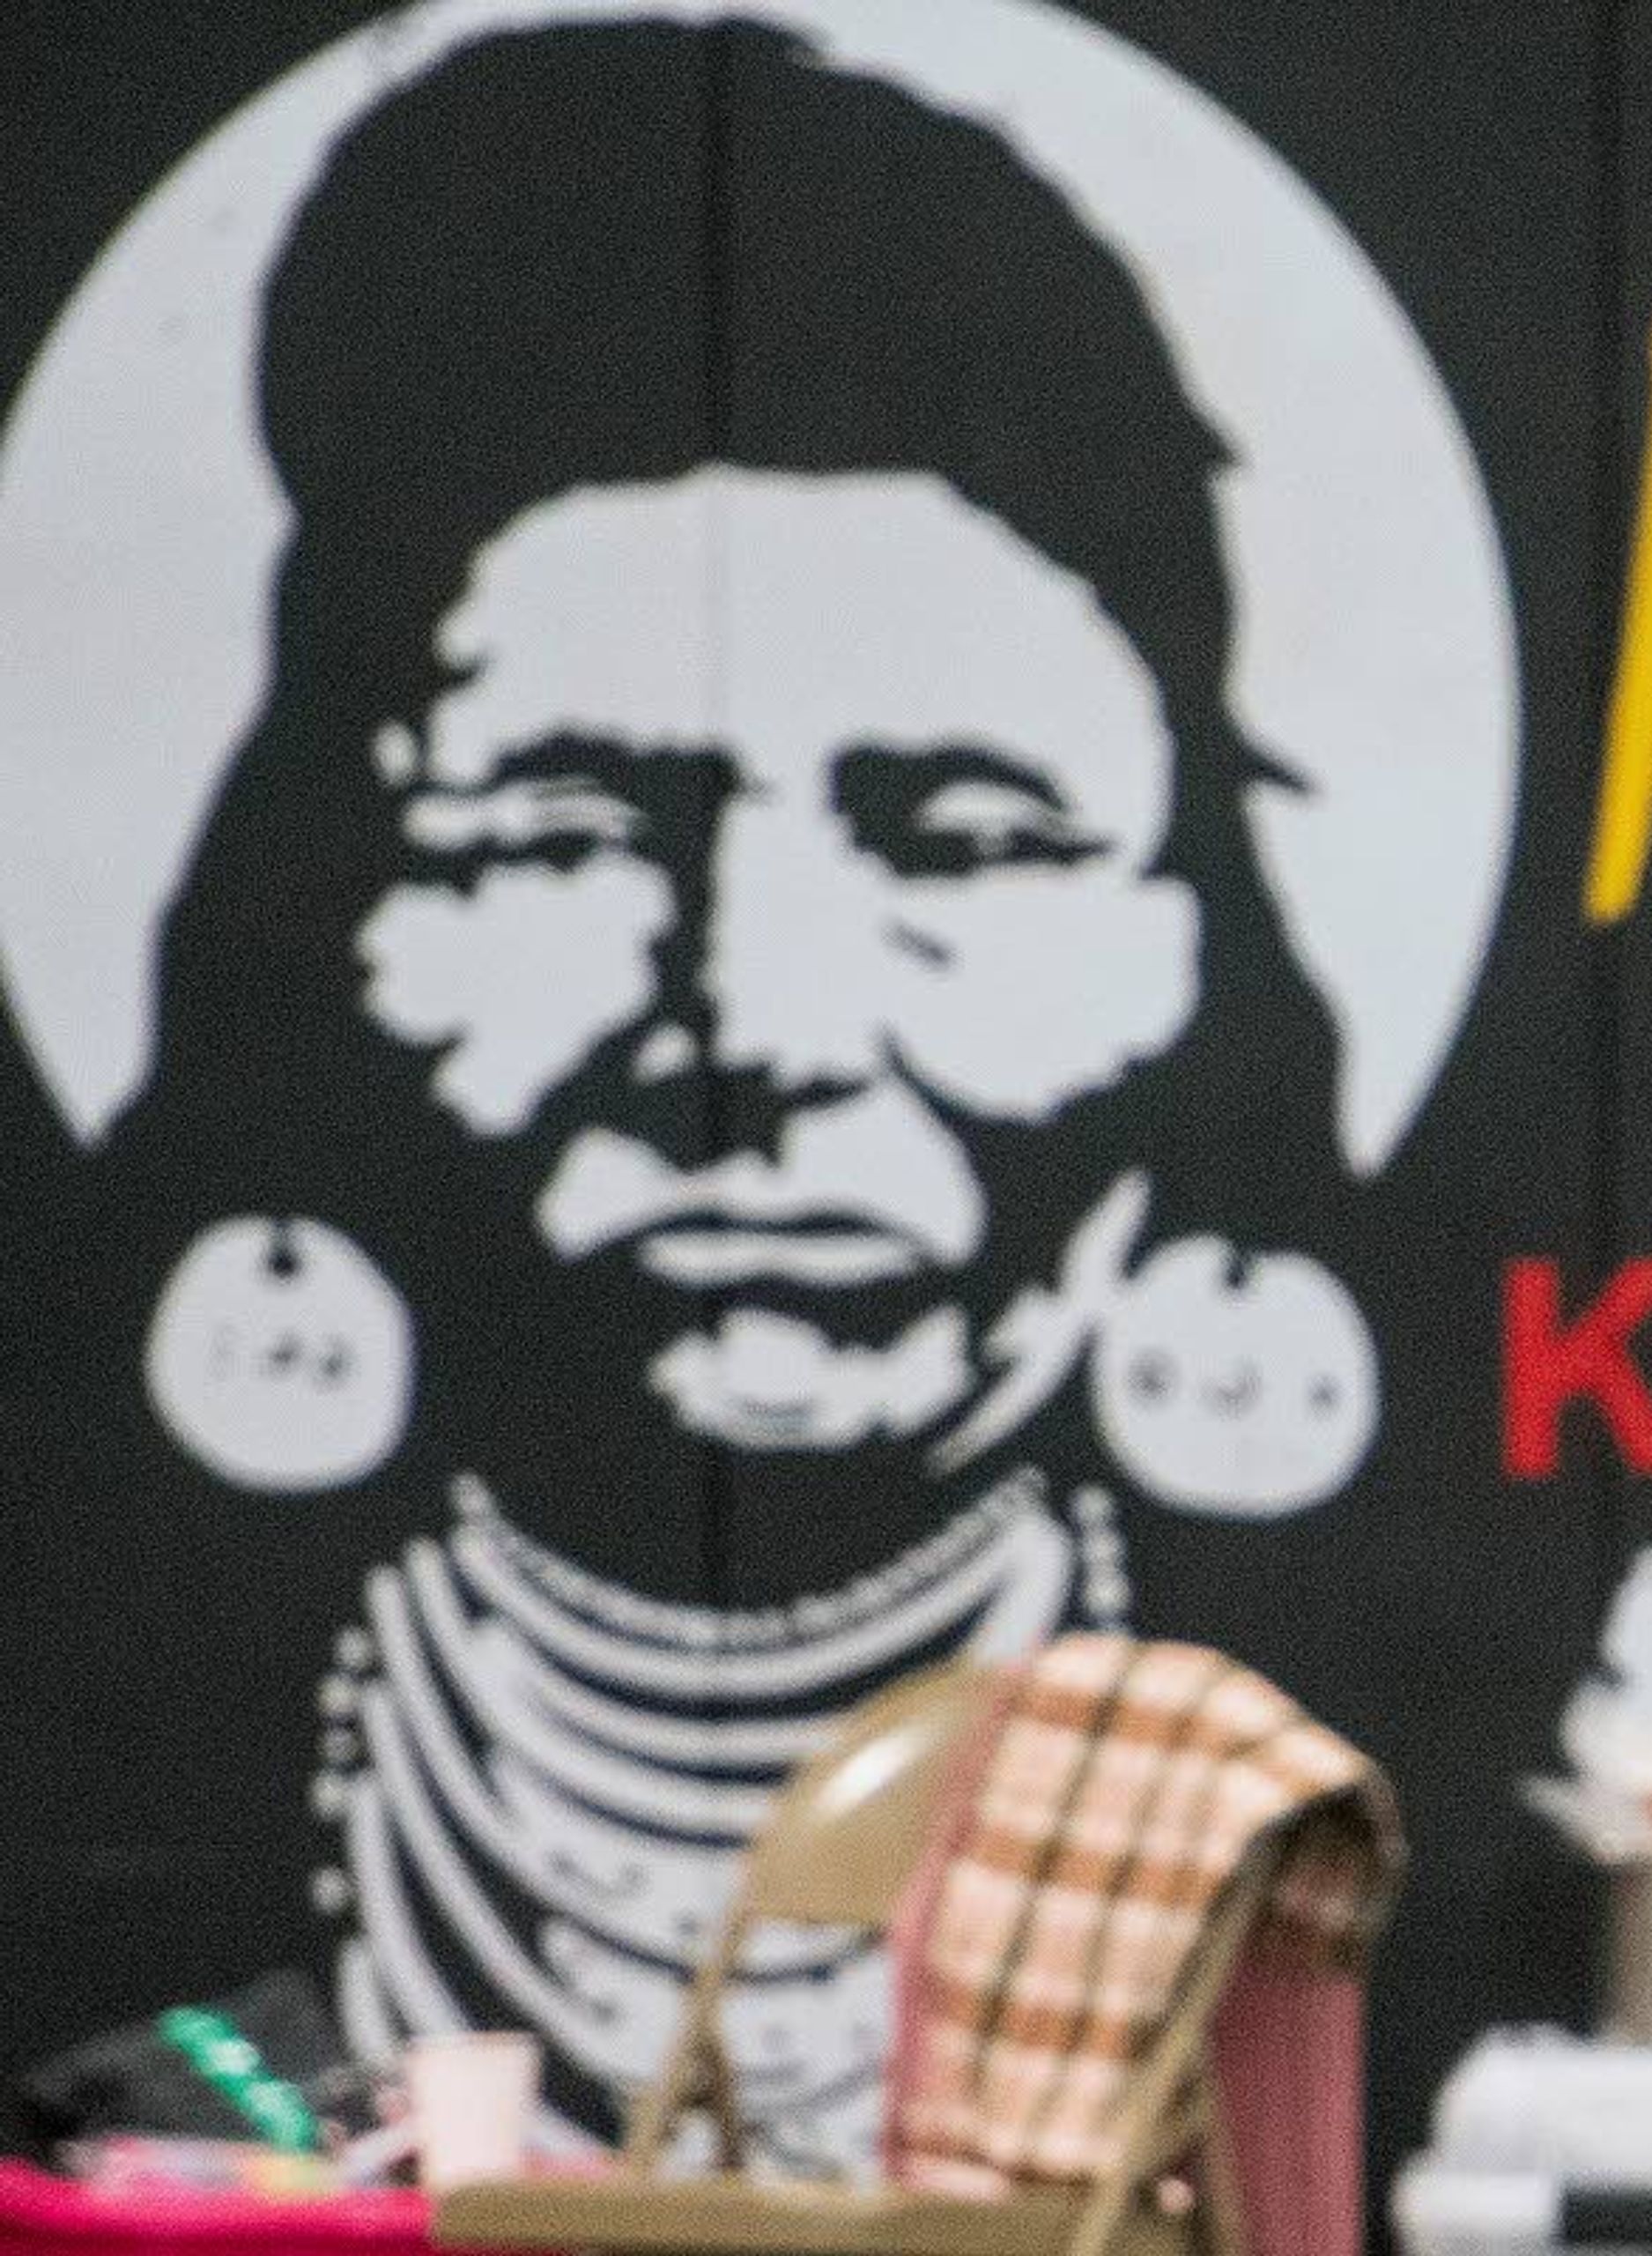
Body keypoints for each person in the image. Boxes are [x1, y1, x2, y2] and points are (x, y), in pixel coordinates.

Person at [81, 18, 1373, 2156]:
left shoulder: (1240, 1801)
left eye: (964, 838)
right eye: (566, 831)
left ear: (1204, 938)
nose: (759, 1024)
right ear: (314, 926)